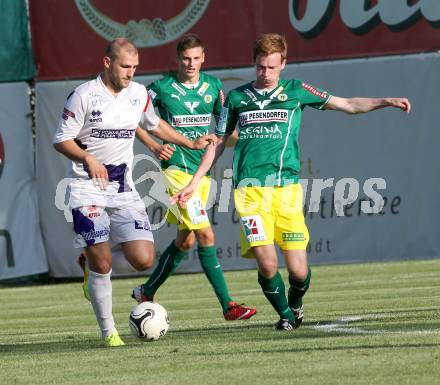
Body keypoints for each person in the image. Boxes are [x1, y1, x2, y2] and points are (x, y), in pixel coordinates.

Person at [173, 33, 411, 330]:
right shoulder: (236, 98)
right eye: (261, 67)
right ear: (254, 63)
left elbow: (348, 104)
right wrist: (195, 182)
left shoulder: (296, 91)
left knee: (299, 271)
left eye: (272, 67)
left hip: (286, 191)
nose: (266, 73)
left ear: (283, 63)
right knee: (268, 264)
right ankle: (285, 316)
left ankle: (295, 305)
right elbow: (217, 142)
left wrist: (385, 101)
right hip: (250, 193)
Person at [53, 38, 215, 347]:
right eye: (125, 67)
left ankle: (91, 253)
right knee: (104, 265)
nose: (131, 73)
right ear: (107, 63)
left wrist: (189, 143)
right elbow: (61, 140)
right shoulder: (84, 95)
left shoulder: (138, 94)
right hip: (87, 188)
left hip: (123, 188)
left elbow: (154, 124)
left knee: (144, 259)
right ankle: (109, 331)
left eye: (135, 67)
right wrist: (88, 158)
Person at [130, 34, 256, 321]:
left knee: (185, 242)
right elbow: (130, 116)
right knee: (205, 234)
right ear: (178, 60)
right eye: (186, 58)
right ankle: (228, 306)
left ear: (203, 59)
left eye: (196, 58)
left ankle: (146, 291)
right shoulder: (161, 88)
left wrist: (246, 140)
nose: (190, 63)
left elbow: (224, 131)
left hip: (202, 174)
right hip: (175, 171)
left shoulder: (214, 87)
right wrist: (153, 144)